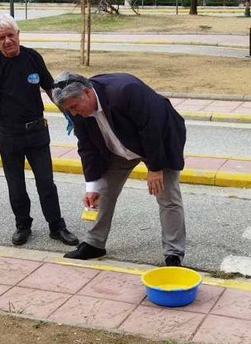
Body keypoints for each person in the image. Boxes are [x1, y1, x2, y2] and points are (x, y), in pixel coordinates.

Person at [52, 72, 187, 267]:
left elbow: (152, 127)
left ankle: (173, 254)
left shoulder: (125, 91)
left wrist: (155, 167)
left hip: (158, 142)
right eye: (68, 110)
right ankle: (95, 243)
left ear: (88, 93)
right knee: (103, 190)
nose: (73, 113)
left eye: (74, 107)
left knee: (168, 197)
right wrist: (92, 186)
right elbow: (87, 147)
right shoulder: (77, 110)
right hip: (119, 146)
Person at [0, 15, 79, 248]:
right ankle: (23, 225)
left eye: (10, 35)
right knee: (16, 185)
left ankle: (57, 226)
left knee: (46, 183)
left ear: (18, 35)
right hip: (9, 134)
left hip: (36, 131)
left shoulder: (33, 57)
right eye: (1, 38)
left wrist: (68, 112)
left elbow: (50, 87)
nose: (7, 41)